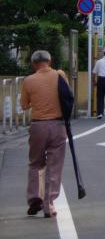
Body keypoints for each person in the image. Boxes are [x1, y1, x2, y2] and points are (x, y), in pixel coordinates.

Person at [20, 49, 68, 218]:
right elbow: (67, 97)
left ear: (34, 64)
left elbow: (24, 105)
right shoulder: (60, 75)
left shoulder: (28, 80)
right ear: (50, 61)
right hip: (57, 125)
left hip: (38, 126)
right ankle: (49, 203)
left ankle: (35, 198)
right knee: (54, 165)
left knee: (35, 163)